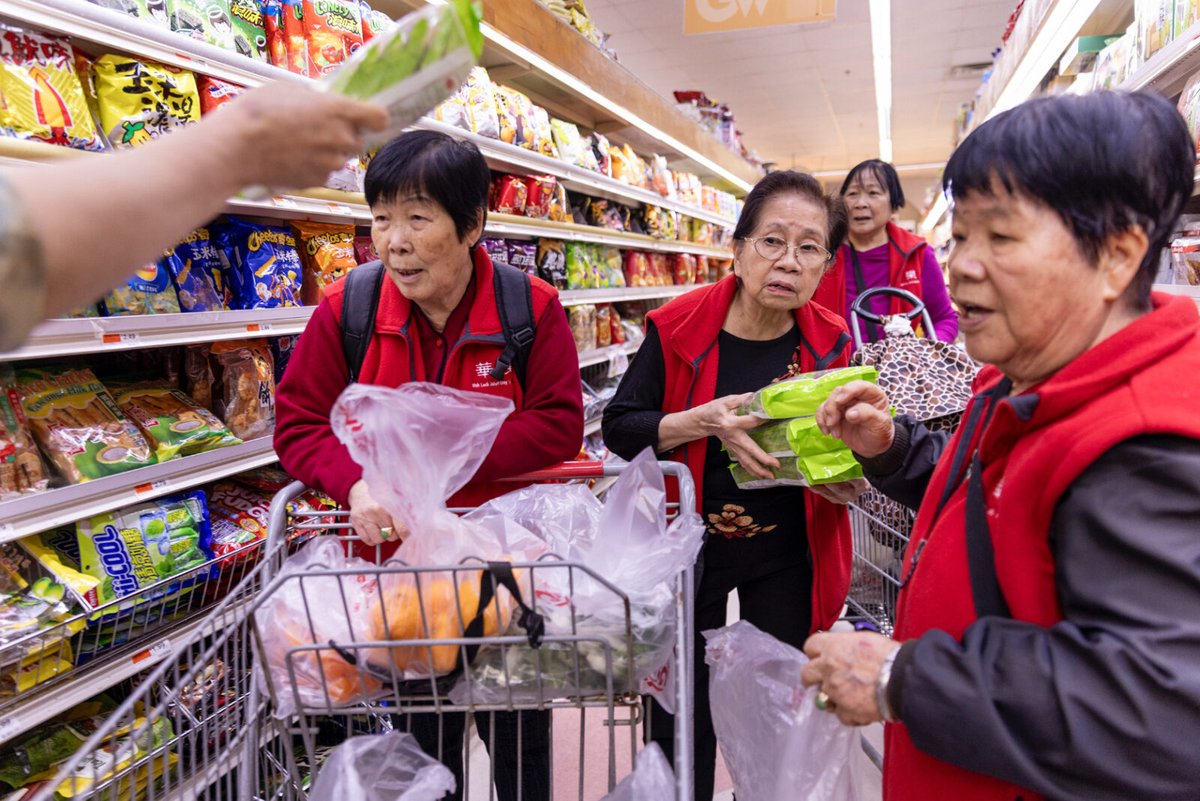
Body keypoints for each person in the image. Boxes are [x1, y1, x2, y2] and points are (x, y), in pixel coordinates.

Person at [801, 90, 1200, 801]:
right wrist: (894, 449)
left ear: (1117, 256)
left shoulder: (1141, 446)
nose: (960, 266)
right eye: (958, 237)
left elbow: (1159, 710)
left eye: (1001, 237)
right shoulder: (1032, 380)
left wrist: (900, 678)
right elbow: (995, 510)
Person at [274, 129, 583, 801]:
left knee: (520, 748)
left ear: (472, 223)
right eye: (381, 217)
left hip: (508, 574)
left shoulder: (529, 311)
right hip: (400, 588)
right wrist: (354, 482)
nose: (395, 241)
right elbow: (296, 423)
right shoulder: (347, 311)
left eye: (418, 216)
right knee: (421, 752)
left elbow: (561, 421)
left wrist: (442, 461)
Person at [602, 170, 866, 801]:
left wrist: (846, 478)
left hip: (788, 554)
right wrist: (703, 420)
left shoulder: (832, 345)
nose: (788, 262)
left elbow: (851, 450)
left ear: (826, 265)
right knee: (679, 712)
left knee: (780, 707)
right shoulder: (679, 327)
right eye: (772, 241)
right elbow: (620, 427)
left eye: (809, 248)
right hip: (688, 550)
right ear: (739, 248)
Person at [0, 81, 389, 351]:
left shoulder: (354, 299)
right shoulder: (350, 300)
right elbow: (17, 255)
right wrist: (230, 149)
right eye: (384, 219)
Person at [810, 159, 957, 348]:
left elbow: (944, 318)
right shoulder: (822, 253)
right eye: (853, 193)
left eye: (873, 193)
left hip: (899, 372)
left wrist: (927, 352)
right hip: (836, 373)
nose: (860, 203)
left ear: (894, 205)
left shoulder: (917, 254)